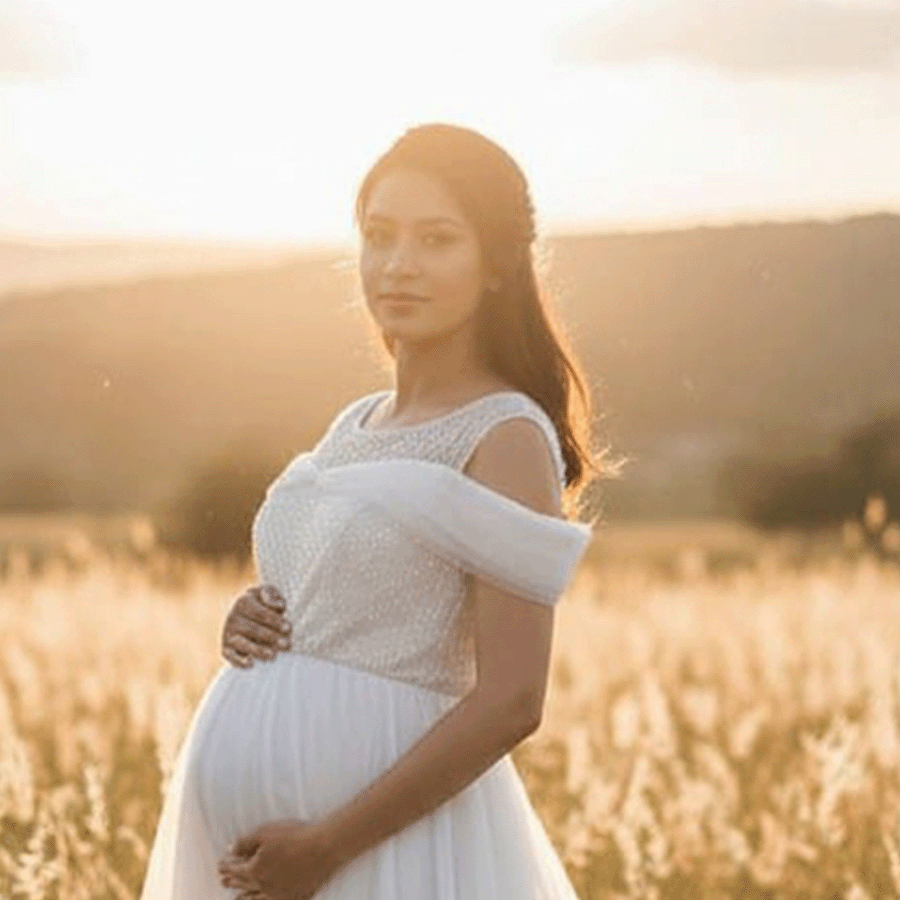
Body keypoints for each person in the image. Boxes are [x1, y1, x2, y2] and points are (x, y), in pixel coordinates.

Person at [138, 121, 612, 900]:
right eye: (379, 236)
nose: (398, 266)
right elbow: (334, 597)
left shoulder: (506, 433)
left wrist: (328, 846)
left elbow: (513, 700)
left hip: (379, 851)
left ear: (495, 263)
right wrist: (252, 619)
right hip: (257, 858)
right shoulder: (354, 422)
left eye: (436, 240)